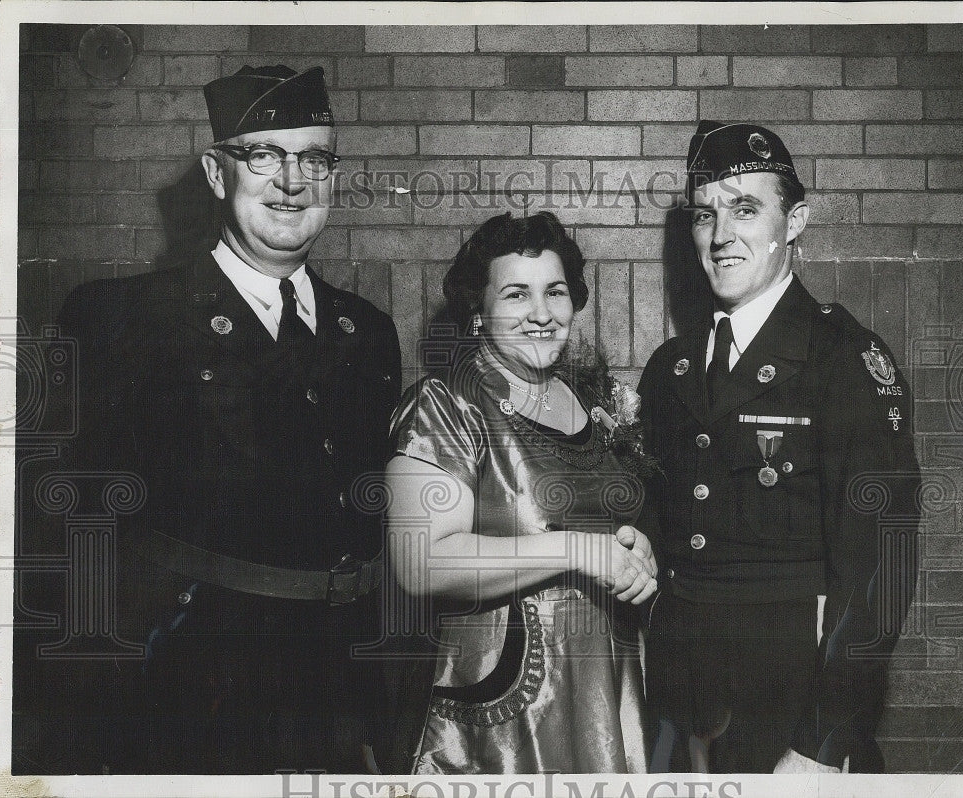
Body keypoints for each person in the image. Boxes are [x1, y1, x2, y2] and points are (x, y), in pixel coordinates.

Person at [47, 65, 401, 773]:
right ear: (216, 174)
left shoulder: (368, 331)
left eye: (314, 159)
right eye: (264, 155)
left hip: (338, 687)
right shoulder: (122, 317)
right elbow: (79, 529)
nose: (292, 183)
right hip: (190, 688)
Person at [638, 121, 921, 774]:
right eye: (704, 215)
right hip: (682, 720)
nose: (720, 236)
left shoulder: (843, 360)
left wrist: (823, 743)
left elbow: (881, 567)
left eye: (745, 209)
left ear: (795, 221)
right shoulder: (671, 369)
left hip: (791, 725)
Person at [379, 211, 656, 774]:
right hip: (508, 709)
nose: (540, 313)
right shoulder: (447, 403)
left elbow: (606, 533)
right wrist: (576, 550)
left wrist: (636, 553)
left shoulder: (592, 403)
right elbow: (419, 559)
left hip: (607, 685)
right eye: (515, 294)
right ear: (478, 314)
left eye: (555, 292)